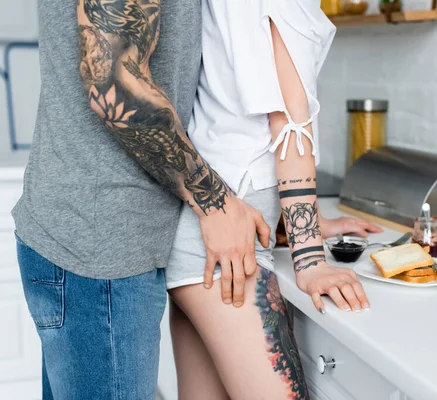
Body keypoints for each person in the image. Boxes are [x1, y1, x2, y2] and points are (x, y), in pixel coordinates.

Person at [13, 0, 380, 399]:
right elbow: (289, 124)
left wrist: (301, 220)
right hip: (152, 234)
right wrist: (308, 256)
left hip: (169, 226)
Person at [166, 1, 381, 399]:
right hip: (228, 249)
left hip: (199, 238)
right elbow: (289, 130)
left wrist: (312, 219)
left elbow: (243, 126)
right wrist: (311, 260)